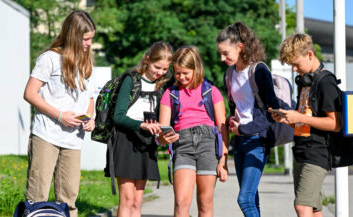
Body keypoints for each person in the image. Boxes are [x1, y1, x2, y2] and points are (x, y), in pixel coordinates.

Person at [23, 11, 96, 217]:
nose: (89, 43)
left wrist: (90, 118)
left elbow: (89, 98)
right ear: (73, 36)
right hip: (47, 134)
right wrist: (59, 115)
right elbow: (29, 93)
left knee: (69, 198)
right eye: (86, 39)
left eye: (91, 38)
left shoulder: (86, 62)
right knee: (38, 196)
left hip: (73, 140)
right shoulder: (50, 59)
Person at [270, 33, 342, 217]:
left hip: (317, 153)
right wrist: (287, 119)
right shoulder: (305, 81)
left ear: (310, 54)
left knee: (302, 206)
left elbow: (335, 124)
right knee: (315, 209)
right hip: (301, 150)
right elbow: (306, 119)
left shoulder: (326, 82)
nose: (294, 69)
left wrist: (300, 118)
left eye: (296, 64)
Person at [216, 22, 279, 217]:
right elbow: (237, 108)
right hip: (240, 141)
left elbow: (272, 112)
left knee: (244, 199)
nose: (222, 58)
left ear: (240, 47)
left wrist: (243, 129)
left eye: (226, 53)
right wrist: (233, 122)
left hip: (257, 141)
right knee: (252, 200)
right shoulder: (230, 74)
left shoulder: (258, 70)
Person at [158, 46, 228, 217]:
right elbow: (161, 132)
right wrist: (164, 139)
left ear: (196, 69)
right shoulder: (170, 94)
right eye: (177, 73)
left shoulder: (212, 92)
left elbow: (222, 127)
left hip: (208, 146)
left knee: (205, 204)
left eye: (185, 73)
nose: (181, 77)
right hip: (183, 147)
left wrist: (222, 161)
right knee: (181, 202)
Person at [112, 41, 173, 217]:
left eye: (164, 69)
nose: (160, 72)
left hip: (147, 142)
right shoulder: (131, 80)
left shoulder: (161, 86)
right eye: (157, 67)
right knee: (127, 199)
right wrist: (141, 124)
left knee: (138, 202)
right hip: (126, 140)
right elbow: (118, 116)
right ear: (147, 59)